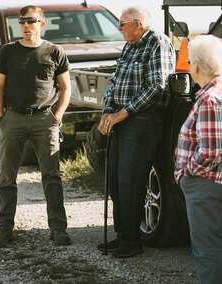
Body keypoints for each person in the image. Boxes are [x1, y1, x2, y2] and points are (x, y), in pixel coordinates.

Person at [0, 5, 71, 248]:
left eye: (31, 21)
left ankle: (58, 229)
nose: (26, 25)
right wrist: (1, 118)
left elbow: (66, 88)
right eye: (22, 21)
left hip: (45, 120)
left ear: (41, 24)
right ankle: (4, 230)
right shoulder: (7, 52)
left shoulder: (55, 52)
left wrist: (57, 116)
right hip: (12, 118)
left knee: (52, 176)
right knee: (7, 177)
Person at [97, 6, 175, 258]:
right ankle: (122, 235)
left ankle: (132, 241)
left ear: (138, 24)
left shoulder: (157, 43)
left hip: (142, 119)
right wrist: (107, 111)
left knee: (131, 180)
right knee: (116, 179)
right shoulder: (130, 45)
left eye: (122, 24)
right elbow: (115, 82)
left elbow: (157, 87)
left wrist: (123, 113)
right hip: (122, 117)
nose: (119, 29)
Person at [174, 35, 222, 283]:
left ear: (198, 66)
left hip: (206, 183)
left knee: (208, 248)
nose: (189, 67)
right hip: (212, 182)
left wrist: (187, 172)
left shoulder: (209, 99)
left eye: (190, 61)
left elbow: (211, 151)